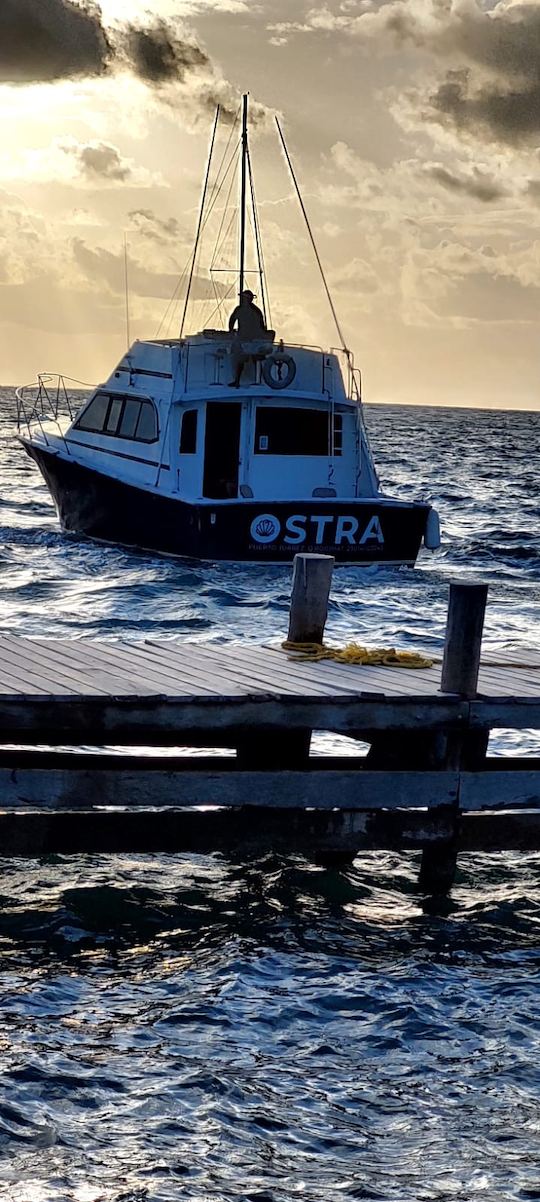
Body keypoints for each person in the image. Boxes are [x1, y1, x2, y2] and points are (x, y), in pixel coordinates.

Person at [228, 290, 268, 386]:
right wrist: (231, 330)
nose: (242, 299)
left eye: (244, 297)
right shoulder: (253, 310)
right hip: (248, 339)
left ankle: (259, 381)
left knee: (252, 359)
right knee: (244, 359)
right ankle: (260, 381)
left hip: (250, 339)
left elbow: (232, 321)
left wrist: (231, 330)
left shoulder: (244, 310)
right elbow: (232, 320)